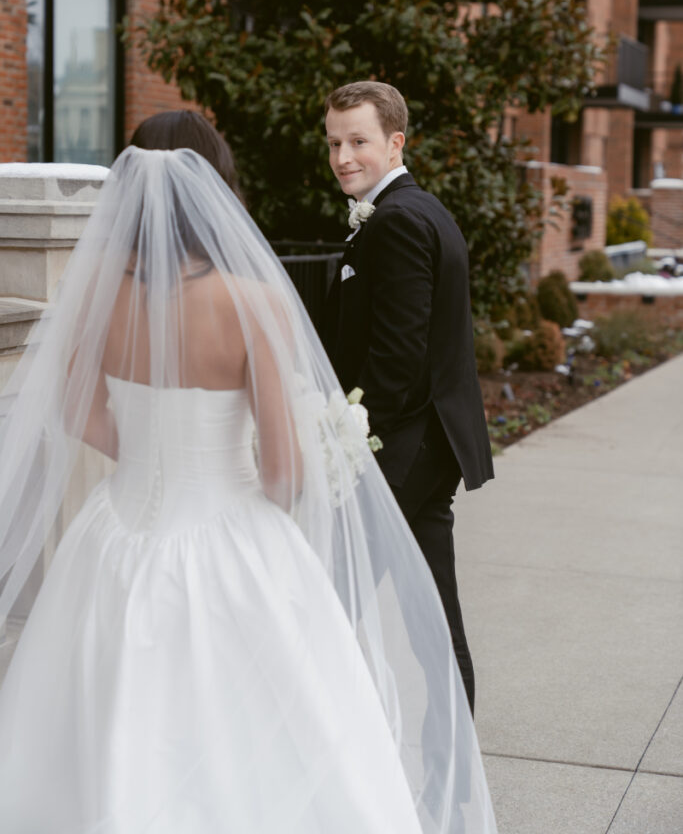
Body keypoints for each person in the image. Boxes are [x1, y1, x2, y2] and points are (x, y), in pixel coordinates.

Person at [0, 114, 498, 833]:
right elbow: (281, 469)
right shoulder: (250, 303)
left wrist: (147, 456)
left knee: (104, 713)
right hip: (228, 536)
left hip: (114, 534)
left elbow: (76, 412)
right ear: (216, 187)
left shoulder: (96, 299)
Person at [323, 81, 494, 716]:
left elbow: (398, 357)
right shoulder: (421, 209)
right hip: (431, 444)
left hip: (402, 448)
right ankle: (457, 779)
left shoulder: (395, 220)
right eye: (335, 142)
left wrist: (350, 439)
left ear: (395, 142)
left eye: (358, 141)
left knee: (329, 598)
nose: (343, 156)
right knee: (432, 615)